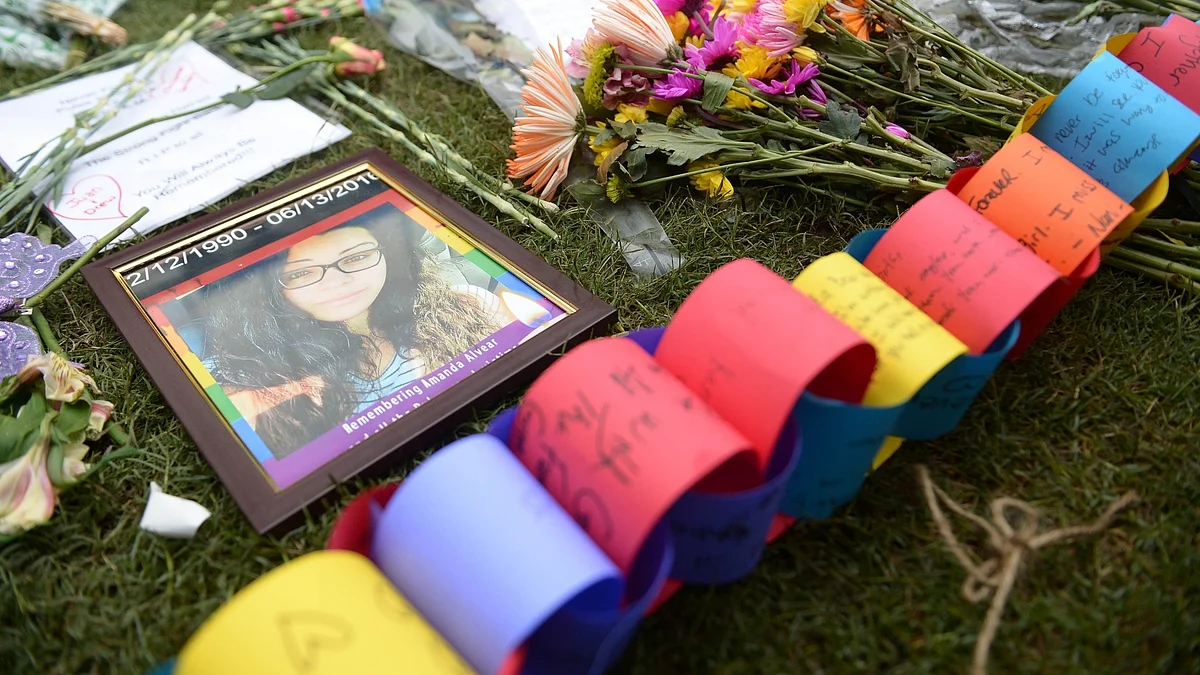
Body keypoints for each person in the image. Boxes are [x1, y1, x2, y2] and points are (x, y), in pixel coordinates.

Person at [202, 205, 514, 459]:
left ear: (388, 253)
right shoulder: (243, 381)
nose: (336, 282)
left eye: (356, 257)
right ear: (271, 290)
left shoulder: (469, 306)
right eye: (300, 273)